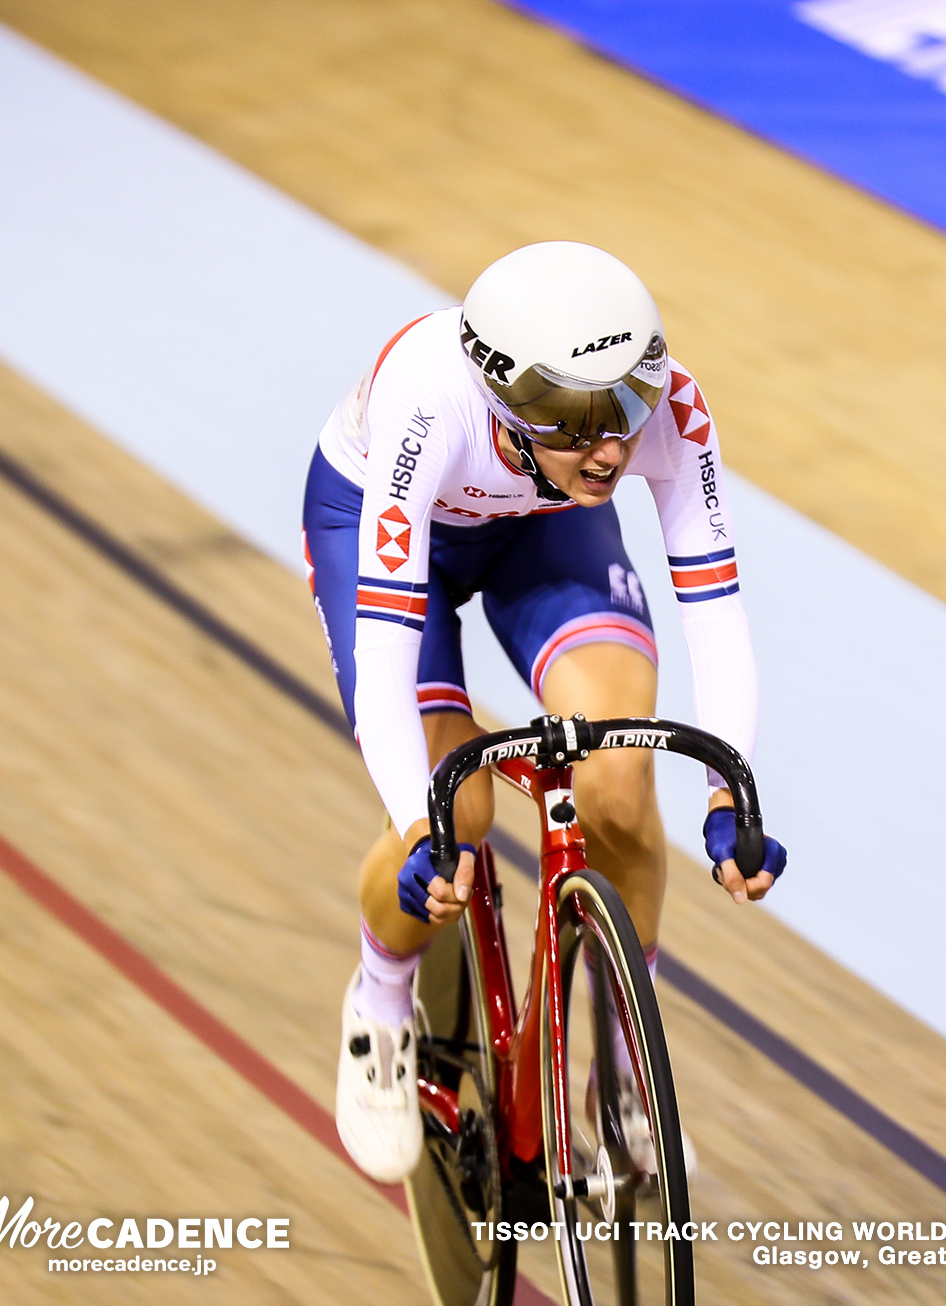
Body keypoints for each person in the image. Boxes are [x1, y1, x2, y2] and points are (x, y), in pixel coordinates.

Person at [304, 241, 786, 1183]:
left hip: (544, 525)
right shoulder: (428, 404)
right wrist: (422, 823)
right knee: (463, 813)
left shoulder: (664, 412)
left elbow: (716, 613)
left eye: (626, 409)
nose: (611, 447)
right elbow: (392, 649)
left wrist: (731, 790)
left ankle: (623, 1069)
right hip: (398, 533)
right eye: (574, 421)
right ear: (503, 397)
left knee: (617, 775)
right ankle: (381, 1002)